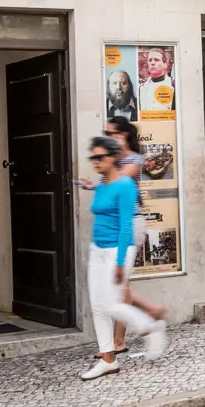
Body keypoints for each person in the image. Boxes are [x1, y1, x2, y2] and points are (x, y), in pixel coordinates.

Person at [78, 136, 167, 380]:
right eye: (92, 157)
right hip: (98, 249)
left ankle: (150, 328)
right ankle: (109, 360)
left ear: (114, 157)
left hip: (119, 249)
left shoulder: (126, 185)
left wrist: (119, 262)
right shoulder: (103, 185)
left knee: (113, 304)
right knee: (98, 307)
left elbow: (126, 225)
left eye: (100, 157)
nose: (95, 162)